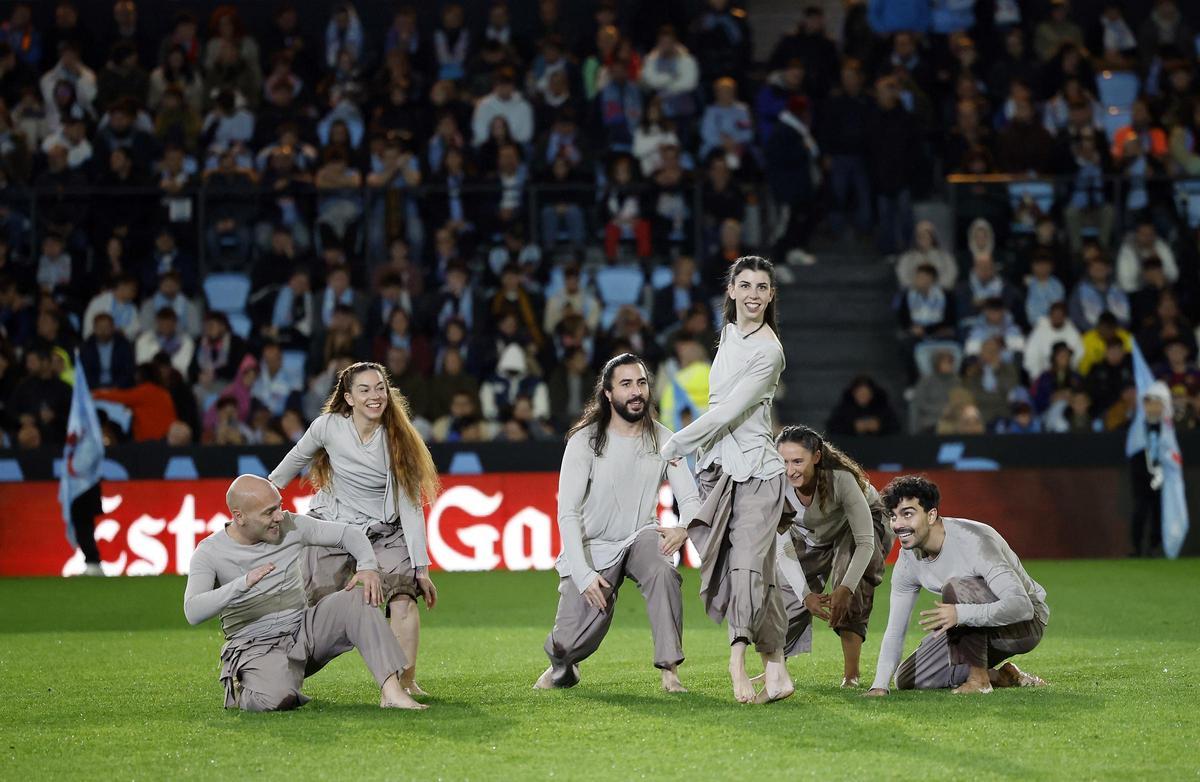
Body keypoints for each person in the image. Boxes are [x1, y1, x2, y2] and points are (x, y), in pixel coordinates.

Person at [657, 256, 795, 704]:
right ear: (731, 291)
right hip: (720, 471)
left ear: (772, 295)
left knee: (745, 567)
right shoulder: (729, 334)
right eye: (746, 285)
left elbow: (729, 411)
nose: (754, 294)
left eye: (762, 287)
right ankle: (776, 668)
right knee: (762, 573)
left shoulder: (769, 351)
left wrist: (675, 443)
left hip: (759, 472)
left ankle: (737, 656)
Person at [269, 362, 439, 699]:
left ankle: (402, 684)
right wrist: (262, 500)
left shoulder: (398, 438)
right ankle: (276, 678)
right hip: (332, 530)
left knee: (403, 598)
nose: (375, 396)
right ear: (348, 397)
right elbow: (288, 465)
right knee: (313, 612)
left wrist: (421, 567)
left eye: (380, 388)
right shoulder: (326, 427)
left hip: (383, 532)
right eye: (365, 390)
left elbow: (410, 504)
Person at [183, 474, 425, 711]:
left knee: (358, 599)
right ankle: (247, 684)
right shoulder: (209, 553)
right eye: (269, 512)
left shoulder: (291, 526)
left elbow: (348, 534)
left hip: (304, 630)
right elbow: (193, 611)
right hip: (256, 645)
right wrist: (242, 584)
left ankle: (392, 692)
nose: (279, 516)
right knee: (277, 699)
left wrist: (367, 566)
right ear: (239, 516)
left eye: (279, 506)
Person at [536, 353, 700, 693]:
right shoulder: (584, 441)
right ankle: (563, 663)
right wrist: (583, 575)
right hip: (593, 545)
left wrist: (683, 527)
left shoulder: (665, 439)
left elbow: (690, 498)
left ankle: (670, 670)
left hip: (641, 535)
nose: (636, 391)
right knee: (565, 647)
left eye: (641, 383)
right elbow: (567, 512)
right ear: (608, 394)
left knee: (662, 570)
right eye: (626, 384)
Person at [866, 475, 1049, 696]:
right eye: (893, 517)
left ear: (931, 514)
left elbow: (1021, 607)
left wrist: (960, 614)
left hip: (1026, 625)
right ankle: (1001, 676)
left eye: (907, 514)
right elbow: (895, 630)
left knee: (955, 588)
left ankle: (979, 680)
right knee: (906, 678)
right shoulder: (907, 560)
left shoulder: (974, 540)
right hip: (973, 626)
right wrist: (879, 685)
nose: (898, 525)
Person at [773, 426, 894, 688]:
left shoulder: (841, 479)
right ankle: (776, 671)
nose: (790, 469)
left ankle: (851, 676)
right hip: (811, 534)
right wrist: (806, 595)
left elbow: (865, 542)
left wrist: (845, 588)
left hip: (863, 529)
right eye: (783, 461)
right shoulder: (772, 483)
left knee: (851, 582)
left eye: (798, 461)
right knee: (787, 594)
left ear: (816, 457)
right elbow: (783, 547)